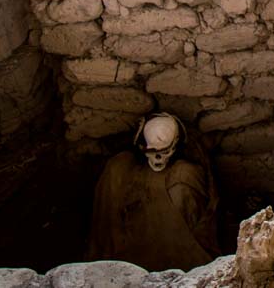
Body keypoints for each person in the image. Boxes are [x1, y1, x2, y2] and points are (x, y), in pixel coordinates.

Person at [86, 113, 219, 270]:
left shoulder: (186, 173)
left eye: (165, 151)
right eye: (152, 151)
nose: (157, 158)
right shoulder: (120, 168)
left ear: (175, 147)